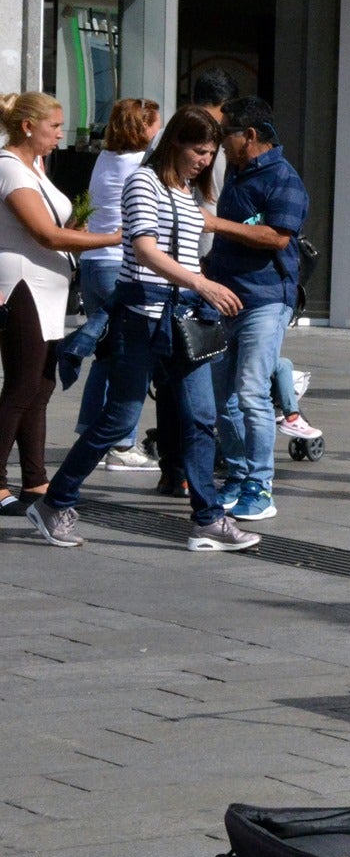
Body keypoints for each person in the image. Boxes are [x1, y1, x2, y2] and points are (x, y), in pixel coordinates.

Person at [26, 106, 250, 551]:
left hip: (181, 317)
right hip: (141, 318)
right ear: (175, 144)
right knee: (118, 420)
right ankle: (54, 503)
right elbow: (144, 250)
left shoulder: (186, 190)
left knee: (201, 419)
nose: (205, 160)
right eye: (199, 150)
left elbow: (182, 251)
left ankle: (207, 520)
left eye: (211, 152)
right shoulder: (142, 182)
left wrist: (197, 285)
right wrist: (201, 282)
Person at [0, 94, 121, 518]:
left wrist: (76, 230)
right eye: (54, 126)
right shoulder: (9, 167)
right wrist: (108, 239)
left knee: (42, 383)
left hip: (47, 286)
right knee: (22, 383)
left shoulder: (35, 168)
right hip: (20, 284)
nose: (59, 135)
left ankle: (35, 478)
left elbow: (55, 229)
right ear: (29, 126)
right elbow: (44, 235)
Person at [203, 96, 310, 523]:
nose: (219, 143)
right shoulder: (236, 170)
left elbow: (278, 237)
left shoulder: (284, 179)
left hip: (266, 300)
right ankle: (237, 473)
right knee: (220, 396)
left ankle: (260, 486)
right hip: (224, 298)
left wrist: (215, 224)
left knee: (250, 391)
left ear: (249, 135)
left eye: (225, 134)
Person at [60, 97, 162, 475]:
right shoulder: (140, 165)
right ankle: (120, 441)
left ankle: (92, 433)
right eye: (154, 126)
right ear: (141, 128)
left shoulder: (105, 159)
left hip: (94, 264)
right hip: (122, 263)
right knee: (128, 355)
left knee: (105, 355)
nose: (158, 133)